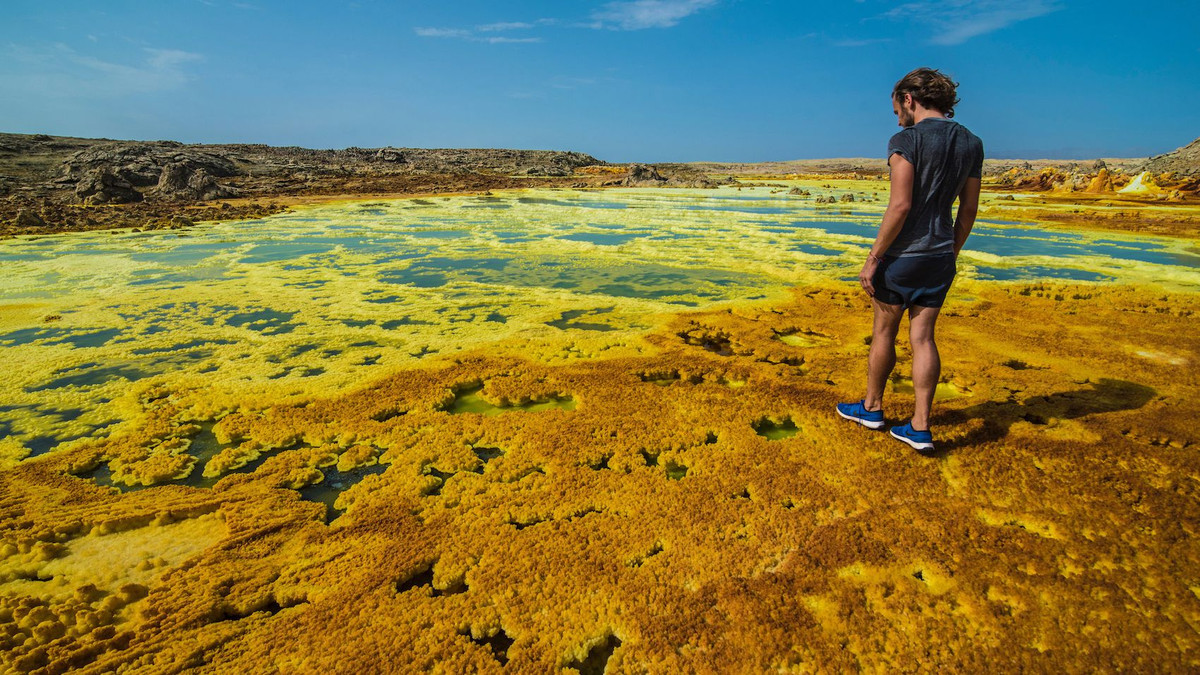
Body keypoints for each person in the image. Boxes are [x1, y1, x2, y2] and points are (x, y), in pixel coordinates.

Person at [836, 67, 983, 454]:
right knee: (923, 338)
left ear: (909, 99)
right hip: (939, 256)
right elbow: (968, 210)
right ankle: (920, 426)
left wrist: (873, 258)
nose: (896, 115)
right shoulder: (971, 142)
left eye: (896, 105)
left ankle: (872, 408)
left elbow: (900, 205)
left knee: (884, 333)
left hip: (902, 256)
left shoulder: (906, 139)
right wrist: (950, 251)